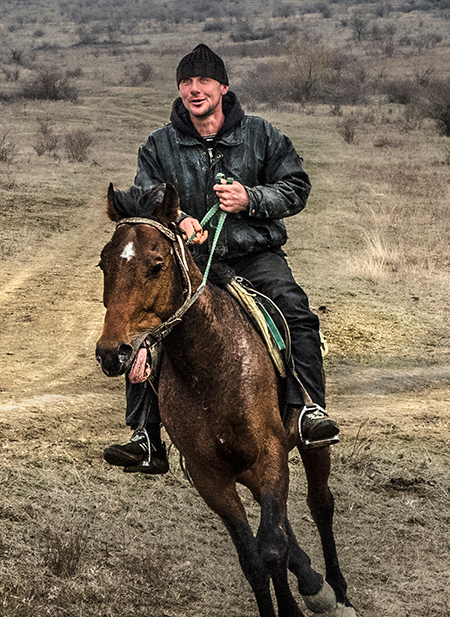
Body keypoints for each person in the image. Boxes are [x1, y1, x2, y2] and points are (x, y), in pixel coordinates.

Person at [103, 43, 338, 474]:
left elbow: (297, 187)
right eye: (186, 83)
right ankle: (146, 436)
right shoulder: (159, 144)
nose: (195, 90)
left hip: (254, 254)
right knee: (143, 326)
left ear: (223, 88)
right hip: (188, 262)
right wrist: (180, 218)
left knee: (296, 311)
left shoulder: (261, 135)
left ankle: (308, 410)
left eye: (204, 82)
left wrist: (252, 198)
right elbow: (145, 194)